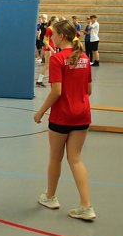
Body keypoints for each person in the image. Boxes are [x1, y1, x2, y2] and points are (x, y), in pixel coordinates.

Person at [34, 19, 95, 222]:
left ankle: (50, 196)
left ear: (62, 36)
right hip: (82, 114)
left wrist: (41, 111)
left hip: (62, 116)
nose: (51, 37)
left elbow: (57, 91)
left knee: (55, 157)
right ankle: (86, 206)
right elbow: (89, 90)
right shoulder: (85, 57)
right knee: (75, 159)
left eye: (53, 34)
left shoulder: (57, 58)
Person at [36, 16, 57, 86]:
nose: (57, 22)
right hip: (49, 48)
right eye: (56, 21)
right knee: (47, 65)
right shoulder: (49, 29)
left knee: (53, 64)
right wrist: (51, 49)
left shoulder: (55, 28)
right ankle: (39, 81)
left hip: (53, 48)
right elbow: (45, 41)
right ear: (52, 21)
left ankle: (54, 79)